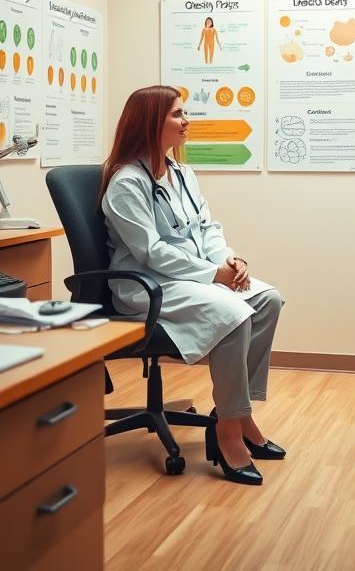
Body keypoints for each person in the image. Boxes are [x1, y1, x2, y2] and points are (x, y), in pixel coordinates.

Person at [100, 85, 284, 485]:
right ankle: (230, 432)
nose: (187, 122)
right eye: (178, 115)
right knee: (235, 314)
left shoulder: (182, 173)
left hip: (194, 276)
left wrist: (228, 260)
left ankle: (238, 412)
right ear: (151, 122)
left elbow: (207, 227)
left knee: (268, 298)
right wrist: (212, 274)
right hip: (147, 286)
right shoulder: (126, 183)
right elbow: (151, 252)